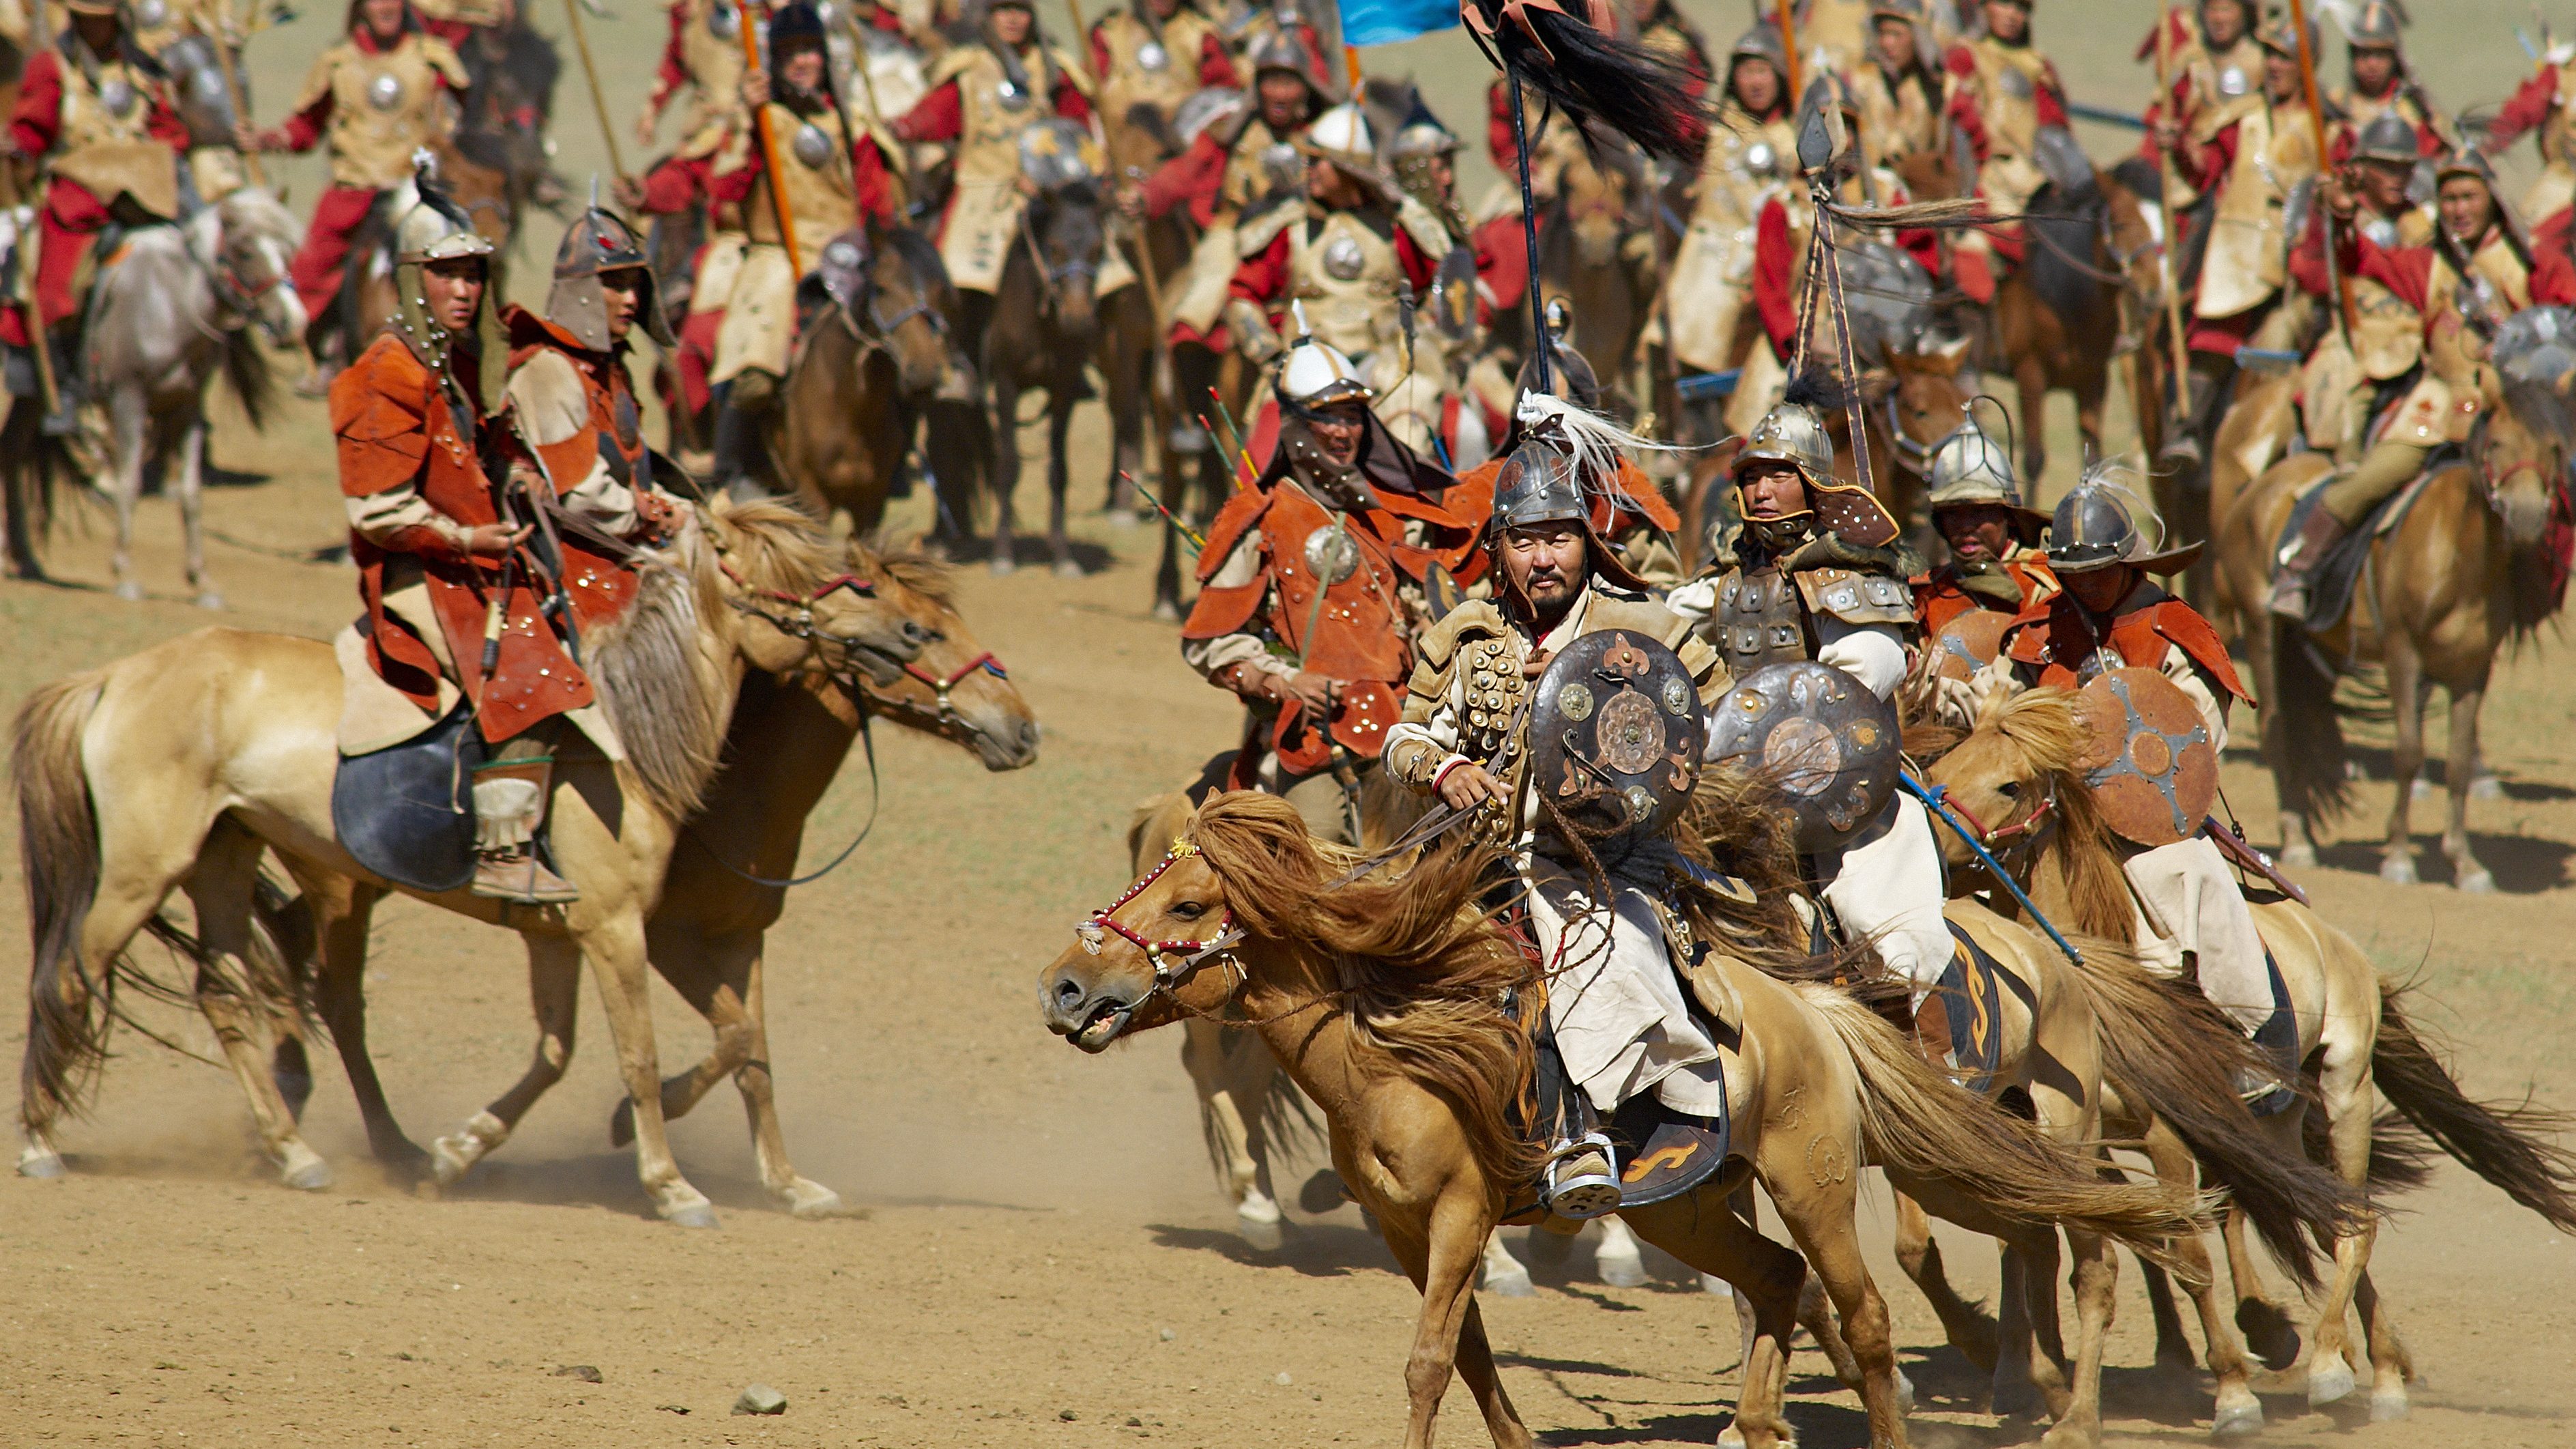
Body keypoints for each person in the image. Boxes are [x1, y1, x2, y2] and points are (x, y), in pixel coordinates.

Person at [1381, 408, 1728, 1216]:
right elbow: (1402, 735)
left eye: (1559, 538)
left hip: (1599, 865)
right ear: (1500, 548)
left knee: (1564, 961)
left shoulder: (1645, 628)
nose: (1543, 558)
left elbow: (1714, 720)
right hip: (1470, 865)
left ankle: (1582, 1136)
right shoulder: (1465, 636)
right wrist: (1445, 767)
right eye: (1525, 540)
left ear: (1587, 543)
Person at [330, 176, 671, 904]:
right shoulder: (382, 371)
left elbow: (467, 457)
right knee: (533, 661)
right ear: (413, 276)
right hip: (419, 568)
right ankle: (503, 845)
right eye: (447, 272)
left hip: (475, 553)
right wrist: (465, 534)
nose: (465, 288)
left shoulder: (449, 362)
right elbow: (376, 509)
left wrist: (514, 475)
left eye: (475, 272)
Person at [1664, 400, 1960, 1054]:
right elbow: (1666, 624)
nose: (1759, 490)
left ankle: (1936, 1068)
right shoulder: (1731, 580)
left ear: (1812, 482)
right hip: (1738, 798)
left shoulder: (1847, 575)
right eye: (1749, 477)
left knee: (1878, 920)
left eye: (1777, 474)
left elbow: (1862, 675)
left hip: (1844, 801)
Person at [1986, 475, 2272, 1041]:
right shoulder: (2036, 632)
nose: (2085, 586)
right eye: (2072, 575)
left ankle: (2243, 1048)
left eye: (2097, 571)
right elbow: (1999, 713)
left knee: (2189, 874)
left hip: (2143, 825)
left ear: (2128, 563)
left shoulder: (2175, 631)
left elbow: (2191, 741)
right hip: (2038, 817)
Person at [1177, 323, 1475, 847]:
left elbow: (1427, 600)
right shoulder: (1258, 517)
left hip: (1407, 732)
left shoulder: (1388, 513)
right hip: (1312, 740)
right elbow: (1207, 639)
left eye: (1352, 418)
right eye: (1327, 419)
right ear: (1294, 424)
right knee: (1314, 856)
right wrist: (1279, 680)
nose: (1344, 433)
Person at [2271, 145, 2576, 616]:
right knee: (2375, 476)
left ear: (2491, 198)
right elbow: (2361, 260)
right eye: (2449, 198)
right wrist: (2341, 217)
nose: (2458, 209)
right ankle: (2300, 566)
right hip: (2444, 406)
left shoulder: (2534, 261)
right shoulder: (2425, 263)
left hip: (2519, 417)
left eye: (2468, 197)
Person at [702, 0, 899, 491]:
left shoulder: (851, 124)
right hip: (777, 256)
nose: (802, 61)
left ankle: (896, 460)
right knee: (754, 373)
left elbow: (877, 199)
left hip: (847, 255)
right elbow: (723, 194)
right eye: (790, 51)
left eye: (810, 49)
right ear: (774, 61)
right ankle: (735, 471)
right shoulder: (760, 122)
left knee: (906, 350)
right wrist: (748, 123)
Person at [244, 0, 469, 384]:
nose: (388, 6)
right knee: (312, 271)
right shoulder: (338, 62)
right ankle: (324, 351)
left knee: (459, 251)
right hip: (354, 190)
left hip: (413, 186)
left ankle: (469, 343)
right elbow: (306, 129)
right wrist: (268, 138)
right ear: (362, 7)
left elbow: (463, 111)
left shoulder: (430, 57)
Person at [0, 0, 192, 430]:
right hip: (78, 201)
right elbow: (33, 130)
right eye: (88, 18)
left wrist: (164, 149)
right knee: (57, 290)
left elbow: (167, 127)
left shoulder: (141, 67)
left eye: (104, 18)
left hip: (145, 198)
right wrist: (17, 147)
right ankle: (64, 385)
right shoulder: (53, 68)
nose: (97, 27)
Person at [1222, 102, 1455, 453]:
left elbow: (1442, 291)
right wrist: (1272, 357)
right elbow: (1243, 297)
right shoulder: (1288, 228)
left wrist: (1422, 335)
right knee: (1264, 454)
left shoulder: (1398, 227)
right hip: (1304, 373)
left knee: (1435, 427)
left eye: (1319, 162)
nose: (1309, 170)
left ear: (1348, 171)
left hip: (1386, 371)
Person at [2156, 14, 2321, 469]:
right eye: (2268, 54)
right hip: (2238, 255)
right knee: (2211, 342)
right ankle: (2187, 429)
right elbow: (2205, 167)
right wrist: (2179, 148)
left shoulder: (2325, 129)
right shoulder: (2243, 118)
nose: (2272, 65)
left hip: (2297, 267)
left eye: (2283, 57)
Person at [889, 0, 1091, 329]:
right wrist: (907, 127)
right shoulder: (970, 68)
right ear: (989, 16)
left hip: (1046, 193)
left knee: (1104, 267)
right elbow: (937, 114)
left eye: (1021, 10)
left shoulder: (1056, 68)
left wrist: (1054, 179)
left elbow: (1078, 132)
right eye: (1004, 10)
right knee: (960, 274)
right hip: (981, 191)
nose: (1013, 19)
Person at [1654, 22, 1797, 440]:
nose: (1755, 81)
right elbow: (1677, 129)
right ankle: (1680, 432)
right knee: (1683, 331)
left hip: (1776, 259)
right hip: (1712, 260)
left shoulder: (1797, 135)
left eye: (1763, 71)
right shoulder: (1716, 126)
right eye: (1747, 71)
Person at [1942, 0, 2070, 305]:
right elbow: (1959, 117)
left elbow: (2055, 126)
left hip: (2036, 180)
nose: (2012, 15)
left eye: (2020, 9)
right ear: (1985, 8)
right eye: (2004, 5)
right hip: (1986, 177)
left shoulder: (2038, 66)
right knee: (1974, 254)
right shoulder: (1966, 56)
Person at [1089, 0, 1234, 137]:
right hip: (1123, 148)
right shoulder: (1109, 34)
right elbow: (1084, 104)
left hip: (1185, 149)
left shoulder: (1200, 34)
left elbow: (1221, 103)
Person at [2324, 0, 2443, 160]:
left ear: (2394, 59)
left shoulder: (2413, 110)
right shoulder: (2333, 107)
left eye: (2380, 55)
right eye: (2365, 54)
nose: (2372, 64)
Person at [637, 0, 748, 147]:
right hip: (707, 123)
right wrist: (650, 113)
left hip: (750, 128)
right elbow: (676, 64)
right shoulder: (688, 13)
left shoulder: (763, 9)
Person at [1851, 0, 1943, 170]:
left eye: (1896, 34)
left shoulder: (1936, 88)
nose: (1887, 43)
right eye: (1882, 33)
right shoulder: (1862, 81)